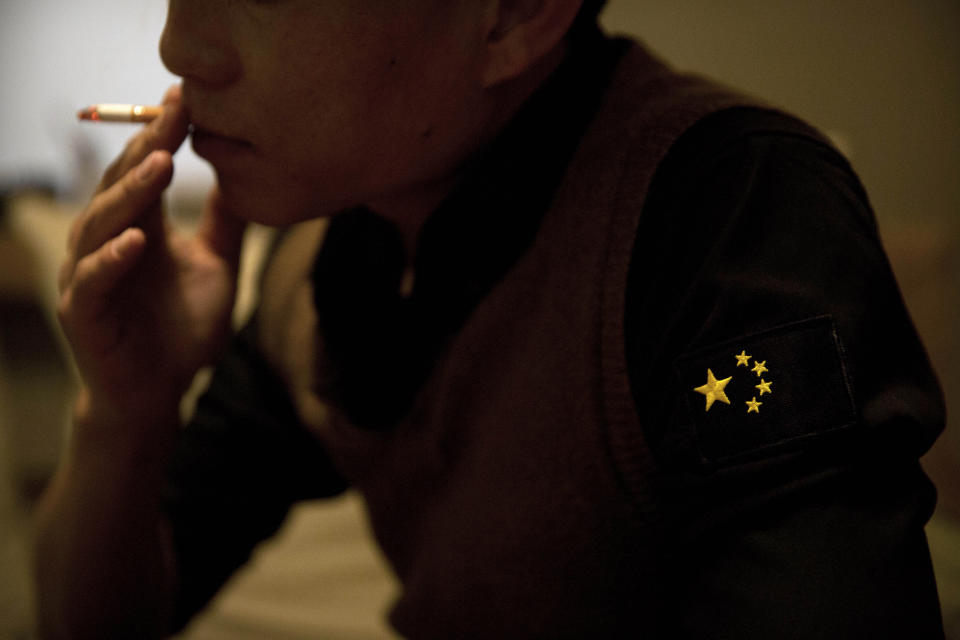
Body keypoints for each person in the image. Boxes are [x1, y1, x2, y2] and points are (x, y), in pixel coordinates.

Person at [35, 0, 946, 637]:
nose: (177, 47)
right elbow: (109, 618)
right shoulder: (334, 246)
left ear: (514, 11)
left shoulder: (729, 211)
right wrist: (127, 412)